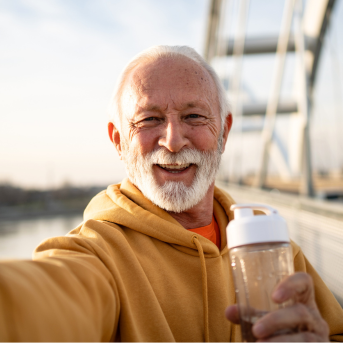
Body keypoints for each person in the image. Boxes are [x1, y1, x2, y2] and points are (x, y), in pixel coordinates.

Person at [0, 45, 342, 342]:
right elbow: (42, 303)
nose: (173, 141)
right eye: (149, 119)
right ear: (118, 141)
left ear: (224, 133)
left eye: (194, 116)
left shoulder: (275, 251)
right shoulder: (99, 256)